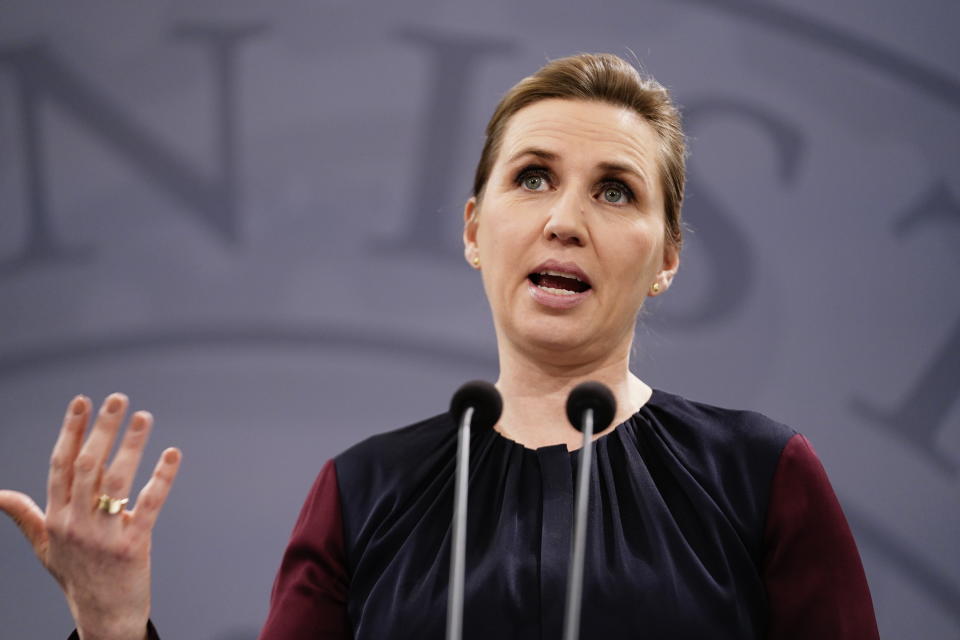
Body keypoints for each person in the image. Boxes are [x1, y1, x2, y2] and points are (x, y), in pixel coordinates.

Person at [0, 53, 879, 639]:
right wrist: (111, 622)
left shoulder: (760, 478)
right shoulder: (363, 493)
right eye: (532, 177)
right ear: (473, 227)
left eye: (615, 191)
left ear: (668, 257)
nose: (565, 220)